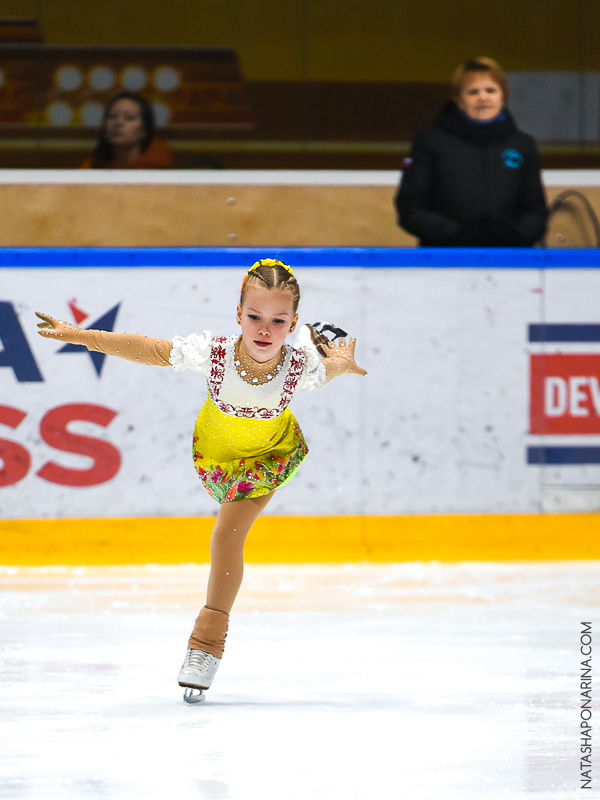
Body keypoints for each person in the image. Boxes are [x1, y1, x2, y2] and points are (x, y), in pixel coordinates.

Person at [36, 258, 367, 704]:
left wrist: (343, 363)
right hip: (215, 453)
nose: (264, 330)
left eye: (278, 321)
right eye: (254, 317)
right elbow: (148, 349)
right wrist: (80, 336)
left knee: (227, 537)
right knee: (225, 536)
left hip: (267, 456)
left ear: (293, 325)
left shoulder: (300, 368)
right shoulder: (213, 353)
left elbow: (328, 371)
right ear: (237, 315)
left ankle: (205, 647)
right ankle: (205, 646)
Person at [394, 57, 548, 247]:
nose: (483, 98)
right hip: (445, 259)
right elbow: (410, 208)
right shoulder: (431, 142)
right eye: (473, 92)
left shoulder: (522, 146)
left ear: (503, 97)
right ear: (459, 100)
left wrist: (513, 235)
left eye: (491, 90)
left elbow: (536, 212)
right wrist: (457, 233)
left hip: (510, 261)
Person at [81, 91, 174, 169]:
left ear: (145, 130)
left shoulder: (157, 168)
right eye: (112, 116)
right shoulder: (93, 167)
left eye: (129, 118)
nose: (118, 123)